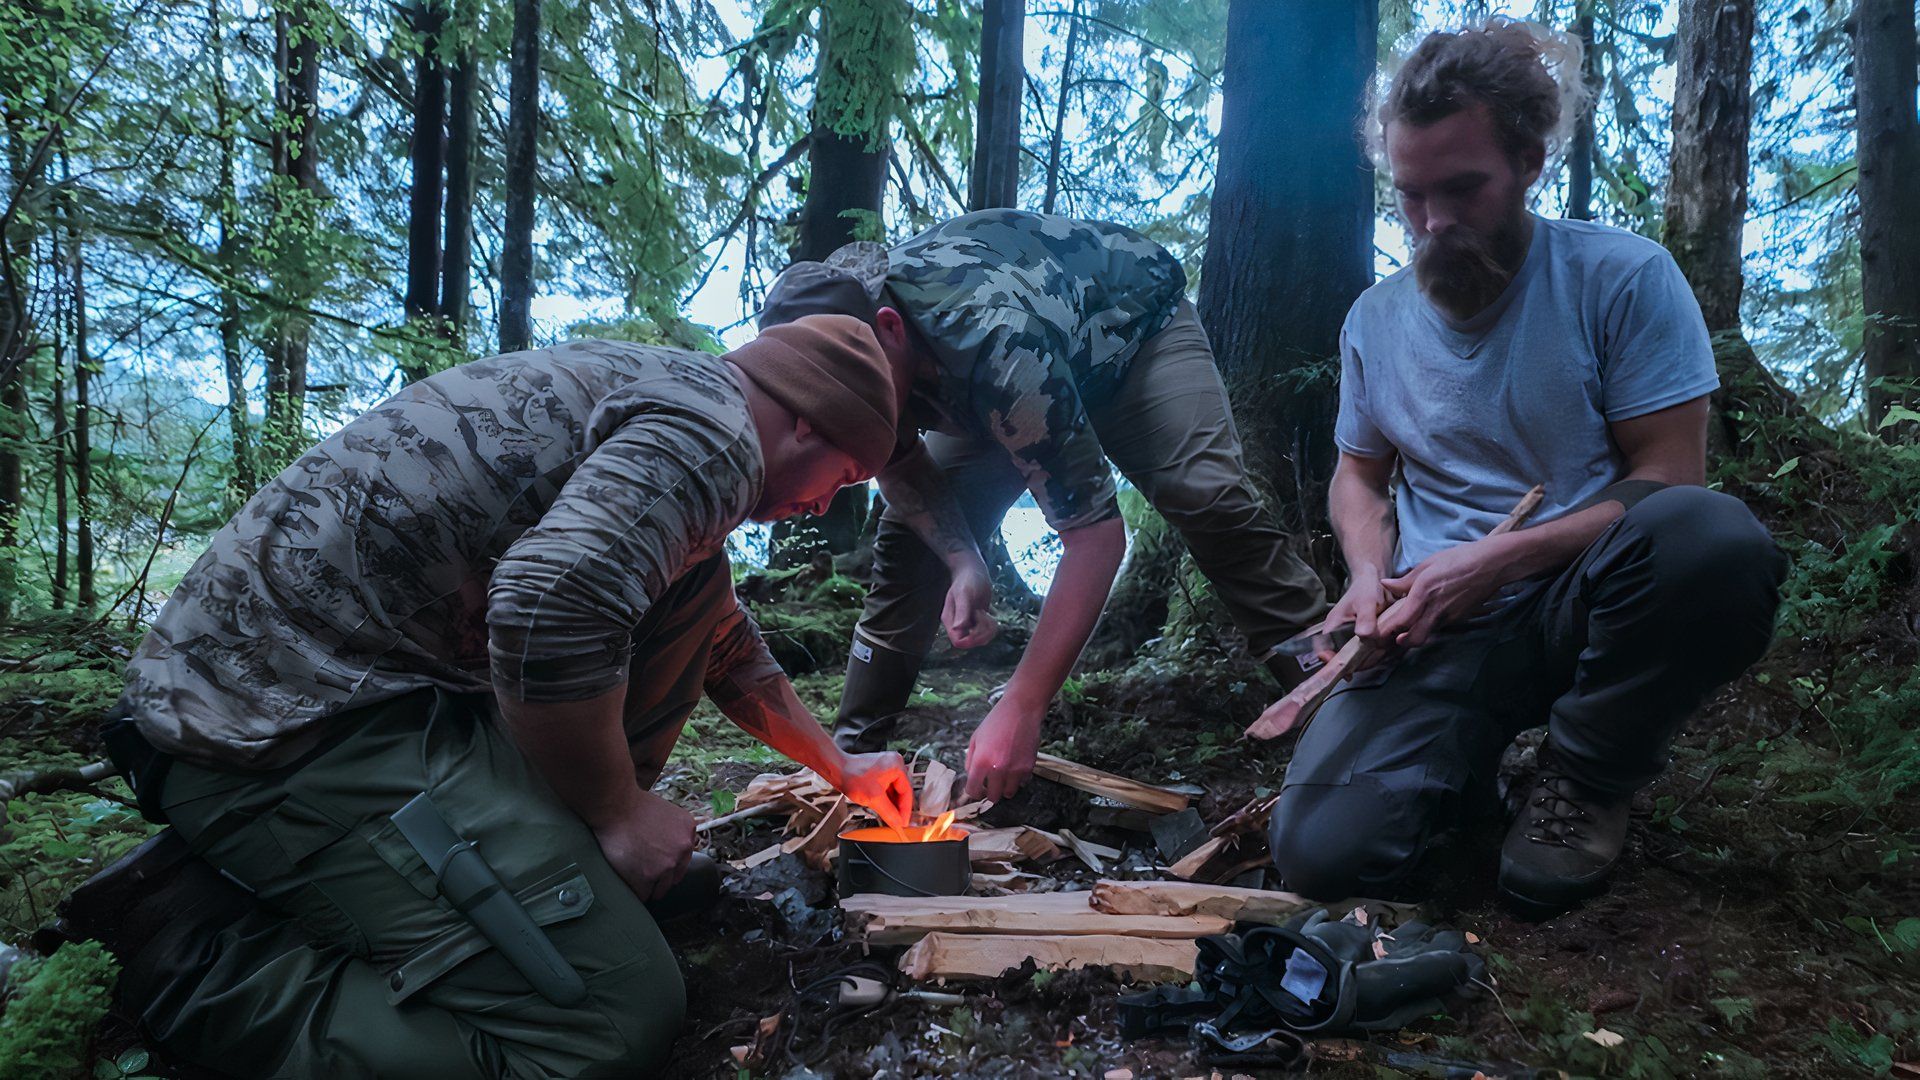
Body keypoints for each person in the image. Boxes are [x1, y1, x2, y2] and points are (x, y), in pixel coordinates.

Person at [92, 316, 914, 1077]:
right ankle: (200, 956)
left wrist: (838, 764)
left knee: (693, 595)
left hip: (358, 684)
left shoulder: (670, 397)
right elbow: (551, 599)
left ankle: (535, 876)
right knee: (610, 1015)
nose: (822, 504)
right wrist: (616, 811)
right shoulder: (717, 436)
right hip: (273, 722)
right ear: (805, 419)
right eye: (842, 477)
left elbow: (722, 643)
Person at [1261, 20, 1787, 915]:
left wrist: (1499, 560)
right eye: (1411, 195)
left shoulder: (1618, 280)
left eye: (1463, 189)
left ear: (1532, 162)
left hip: (1578, 602)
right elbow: (1359, 477)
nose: (1432, 223)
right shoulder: (1374, 321)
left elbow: (1670, 477)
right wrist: (1363, 576)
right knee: (1320, 858)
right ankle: (1460, 776)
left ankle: (1585, 772)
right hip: (1432, 626)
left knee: (1713, 542)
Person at [759, 210, 1330, 802]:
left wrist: (1022, 704)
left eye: (856, 395)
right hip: (991, 373)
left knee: (1204, 495)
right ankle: (850, 762)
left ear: (888, 329)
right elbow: (899, 462)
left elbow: (1096, 539)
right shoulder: (851, 356)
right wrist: (963, 561)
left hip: (1132, 334)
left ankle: (1329, 687)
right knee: (910, 540)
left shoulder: (996, 344)